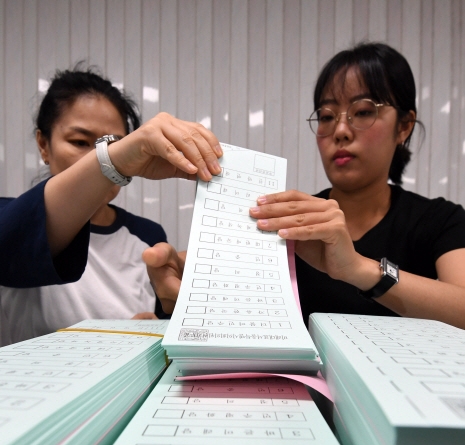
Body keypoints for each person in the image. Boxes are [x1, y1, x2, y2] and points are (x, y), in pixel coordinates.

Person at [145, 42, 465, 330]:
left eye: (363, 111)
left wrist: (358, 269)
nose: (340, 130)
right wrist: (187, 283)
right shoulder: (286, 223)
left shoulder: (439, 220)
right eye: (326, 116)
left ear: (404, 126)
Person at [0, 66, 222, 345]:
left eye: (114, 145)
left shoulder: (147, 236)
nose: (96, 156)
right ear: (44, 145)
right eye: (80, 142)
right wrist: (112, 160)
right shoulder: (10, 222)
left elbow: (155, 327)